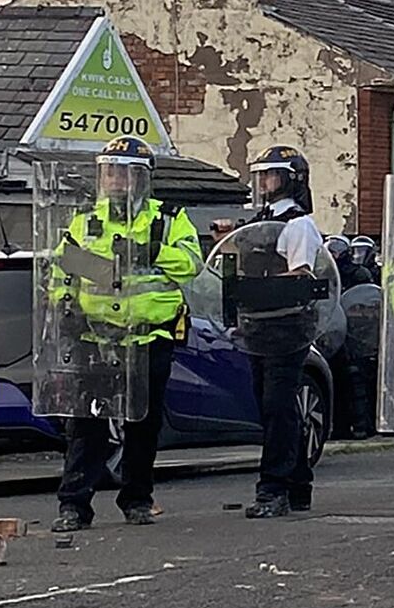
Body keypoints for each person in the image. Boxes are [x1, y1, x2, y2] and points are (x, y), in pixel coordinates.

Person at [49, 137, 202, 532]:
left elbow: (191, 265)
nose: (115, 180)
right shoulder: (85, 220)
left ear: (141, 178)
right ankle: (74, 505)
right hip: (96, 339)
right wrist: (65, 307)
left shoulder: (167, 219)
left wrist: (154, 250)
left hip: (149, 338)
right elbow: (63, 271)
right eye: (109, 171)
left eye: (123, 172)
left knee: (142, 427)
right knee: (87, 425)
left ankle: (137, 499)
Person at [239, 145, 327, 519]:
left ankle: (273, 488)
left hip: (288, 326)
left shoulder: (297, 224)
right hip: (260, 325)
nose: (263, 182)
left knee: (278, 407)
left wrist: (264, 285)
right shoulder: (260, 220)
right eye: (260, 175)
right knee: (275, 407)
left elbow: (301, 275)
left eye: (270, 175)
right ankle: (298, 482)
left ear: (291, 180)